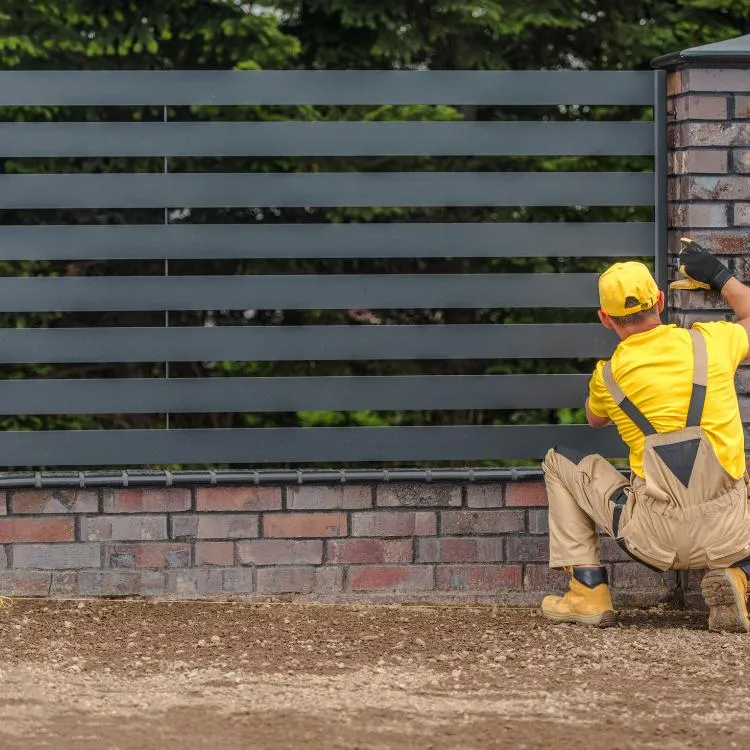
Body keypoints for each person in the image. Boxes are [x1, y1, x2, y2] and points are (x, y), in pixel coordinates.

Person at [541, 239, 750, 631]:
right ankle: (741, 575)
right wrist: (719, 277)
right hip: (732, 531)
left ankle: (587, 591)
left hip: (653, 539)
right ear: (659, 300)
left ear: (605, 318)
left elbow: (594, 419)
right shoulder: (712, 342)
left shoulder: (608, 376)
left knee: (559, 460)